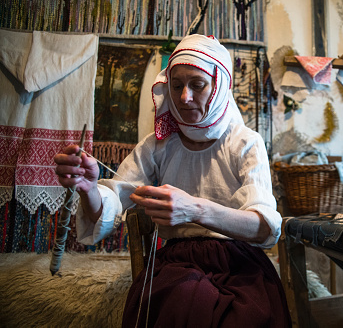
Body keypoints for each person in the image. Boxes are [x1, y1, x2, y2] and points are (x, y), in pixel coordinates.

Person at [54, 34, 291, 327]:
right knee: (183, 300)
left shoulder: (245, 143)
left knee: (246, 315)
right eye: (176, 85)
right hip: (177, 263)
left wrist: (194, 209)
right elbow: (113, 200)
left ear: (220, 86)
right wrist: (89, 188)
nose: (183, 97)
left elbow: (264, 228)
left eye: (198, 85)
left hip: (240, 263)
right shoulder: (159, 145)